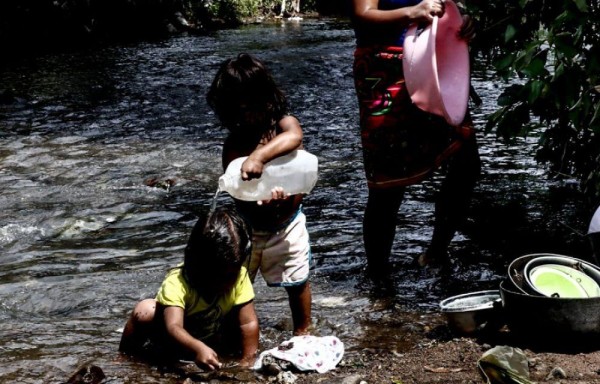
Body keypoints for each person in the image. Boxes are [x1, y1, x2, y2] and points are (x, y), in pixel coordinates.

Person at [350, 0, 482, 276]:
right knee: (387, 183)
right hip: (384, 70)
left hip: (431, 63)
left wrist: (461, 22)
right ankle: (378, 276)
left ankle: (436, 252)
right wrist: (413, 12)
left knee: (466, 162)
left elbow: (440, 9)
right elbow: (363, 15)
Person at [206, 53, 312, 335]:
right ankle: (233, 330)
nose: (245, 117)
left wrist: (259, 157)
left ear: (267, 100)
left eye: (250, 108)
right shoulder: (233, 145)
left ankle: (303, 331)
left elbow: (294, 139)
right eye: (237, 112)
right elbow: (238, 192)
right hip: (249, 226)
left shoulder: (283, 124)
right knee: (237, 282)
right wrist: (258, 200)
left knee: (296, 279)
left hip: (288, 223)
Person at [119, 208, 259, 370]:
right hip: (172, 339)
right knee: (145, 310)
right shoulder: (178, 283)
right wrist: (197, 347)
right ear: (196, 264)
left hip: (213, 332)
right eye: (215, 275)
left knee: (241, 323)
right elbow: (173, 326)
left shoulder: (239, 277)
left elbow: (248, 323)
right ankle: (123, 356)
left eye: (229, 276)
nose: (223, 283)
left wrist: (248, 361)